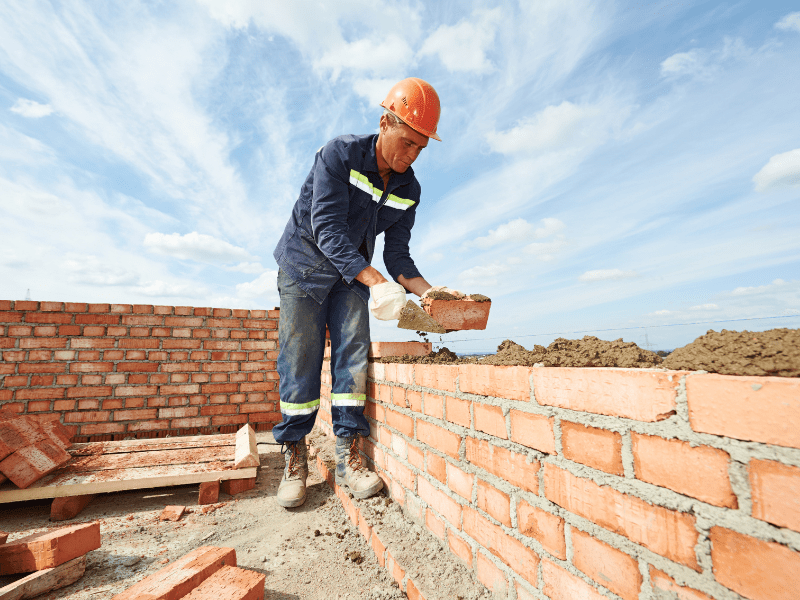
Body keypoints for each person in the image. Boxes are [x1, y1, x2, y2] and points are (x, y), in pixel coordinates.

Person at [271, 77, 458, 508]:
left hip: (351, 274)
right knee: (298, 359)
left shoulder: (409, 189)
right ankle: (294, 457)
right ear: (384, 123)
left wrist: (433, 295)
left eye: (420, 149)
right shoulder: (339, 155)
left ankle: (350, 455)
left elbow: (399, 256)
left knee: (352, 356)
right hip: (303, 268)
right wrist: (374, 282)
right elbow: (328, 230)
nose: (411, 156)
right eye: (407, 142)